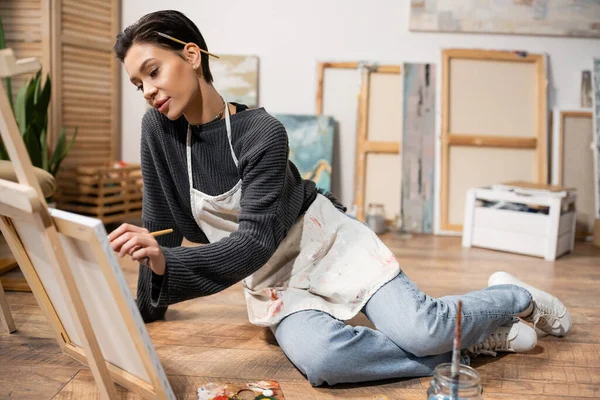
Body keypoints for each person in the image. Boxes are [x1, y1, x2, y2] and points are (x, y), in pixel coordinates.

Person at [108, 10, 572, 387]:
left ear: (190, 55)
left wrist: (171, 265)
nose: (148, 91)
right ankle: (468, 343)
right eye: (138, 84)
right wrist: (145, 310)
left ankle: (512, 295)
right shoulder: (159, 131)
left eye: (153, 72)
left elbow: (254, 240)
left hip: (324, 242)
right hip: (274, 280)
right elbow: (161, 227)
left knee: (422, 328)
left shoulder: (263, 133)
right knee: (326, 362)